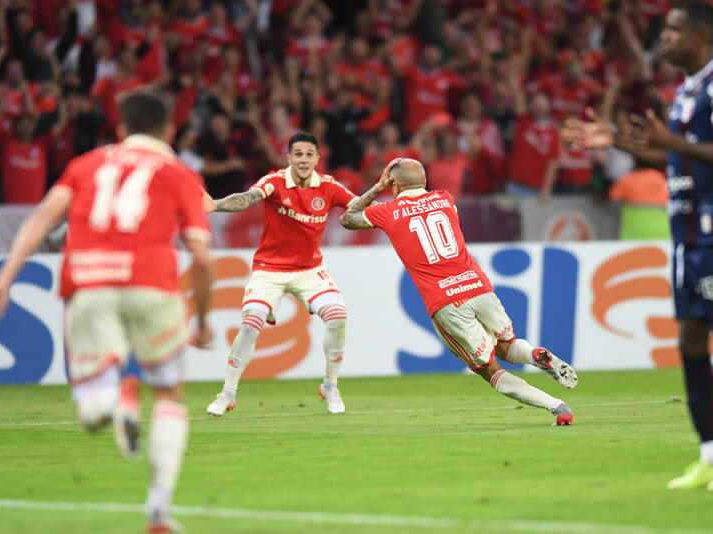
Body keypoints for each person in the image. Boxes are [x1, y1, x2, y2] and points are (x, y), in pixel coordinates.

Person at [0, 89, 214, 532]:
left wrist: (4, 279)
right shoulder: (179, 173)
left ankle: (115, 399)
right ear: (170, 130)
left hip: (88, 283)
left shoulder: (85, 164)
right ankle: (159, 510)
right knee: (168, 394)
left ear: (121, 129)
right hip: (152, 284)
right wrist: (202, 322)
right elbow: (201, 258)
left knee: (90, 412)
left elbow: (41, 219)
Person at [561, 2, 713, 490]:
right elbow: (673, 160)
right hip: (687, 236)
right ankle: (709, 456)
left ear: (702, 36)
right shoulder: (686, 91)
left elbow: (683, 149)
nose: (664, 38)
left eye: (675, 30)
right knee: (691, 339)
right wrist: (615, 141)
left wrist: (676, 144)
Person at [340, 157, 578, 426]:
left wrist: (377, 187)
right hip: (477, 286)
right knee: (507, 346)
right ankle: (534, 354)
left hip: (445, 301)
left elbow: (347, 219)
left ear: (393, 184)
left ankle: (556, 406)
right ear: (424, 180)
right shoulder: (445, 198)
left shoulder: (388, 211)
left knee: (490, 370)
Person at [203, 131, 357, 416]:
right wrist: (216, 204)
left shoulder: (328, 186)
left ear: (317, 159)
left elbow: (358, 206)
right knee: (250, 324)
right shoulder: (274, 181)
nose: (303, 160)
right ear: (289, 158)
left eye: (309, 155)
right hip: (269, 270)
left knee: (338, 317)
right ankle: (227, 393)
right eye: (298, 154)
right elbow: (247, 199)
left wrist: (390, 208)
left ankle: (330, 386)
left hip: (309, 270)